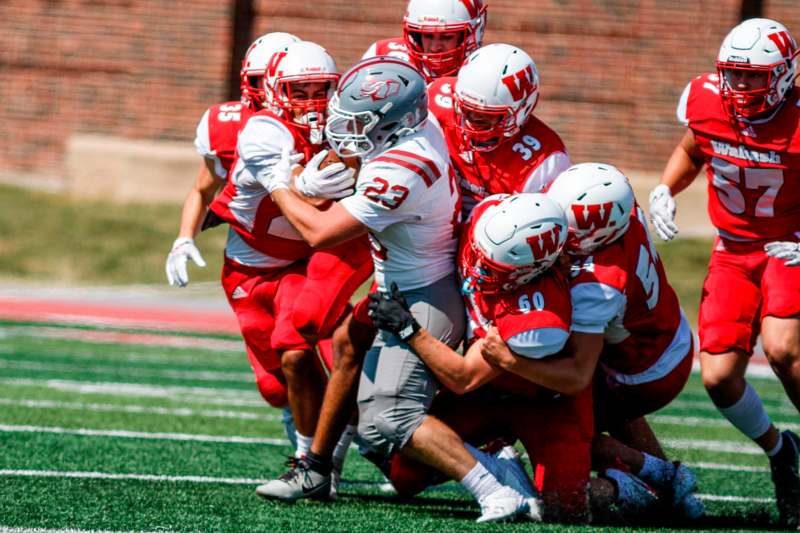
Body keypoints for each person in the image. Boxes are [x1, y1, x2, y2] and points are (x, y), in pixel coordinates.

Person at [254, 56, 530, 522]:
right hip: (399, 285)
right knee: (347, 343)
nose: (343, 128)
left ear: (394, 124)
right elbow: (350, 162)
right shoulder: (409, 136)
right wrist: (323, 170)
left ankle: (497, 485)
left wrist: (276, 183)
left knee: (391, 419)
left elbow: (319, 232)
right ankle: (319, 468)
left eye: (357, 121)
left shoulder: (402, 168)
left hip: (424, 297)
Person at [483, 163, 702, 518]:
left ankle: (637, 487)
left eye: (565, 230)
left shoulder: (596, 285)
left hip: (643, 368)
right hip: (664, 334)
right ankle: (667, 479)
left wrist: (511, 361)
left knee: (548, 417)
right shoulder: (620, 212)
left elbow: (577, 375)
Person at [648, 17, 800, 528]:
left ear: (782, 76)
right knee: (717, 377)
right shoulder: (707, 102)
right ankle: (782, 451)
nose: (741, 87)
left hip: (788, 244)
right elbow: (693, 148)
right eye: (733, 75)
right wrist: (667, 188)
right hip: (732, 248)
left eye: (753, 77)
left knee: (783, 347)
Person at [206, 41, 372, 472]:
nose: (313, 102)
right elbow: (287, 187)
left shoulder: (348, 123)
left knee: (296, 347)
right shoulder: (261, 130)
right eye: (300, 91)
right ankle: (313, 435)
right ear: (278, 92)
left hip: (302, 263)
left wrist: (345, 166)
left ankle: (314, 459)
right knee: (273, 386)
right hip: (249, 267)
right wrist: (308, 182)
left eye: (322, 89)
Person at [165, 32, 299, 289]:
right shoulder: (225, 127)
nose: (270, 90)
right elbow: (202, 190)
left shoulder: (327, 129)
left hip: (314, 250)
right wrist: (183, 239)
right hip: (253, 252)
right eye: (263, 80)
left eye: (277, 80)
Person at [427, 43, 571, 217]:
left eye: (486, 114)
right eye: (467, 109)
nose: (473, 120)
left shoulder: (546, 159)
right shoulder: (437, 100)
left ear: (523, 108)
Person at [362, 0, 487, 82]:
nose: (434, 47)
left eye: (446, 37)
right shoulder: (383, 56)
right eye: (427, 36)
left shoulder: (485, 71)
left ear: (473, 33)